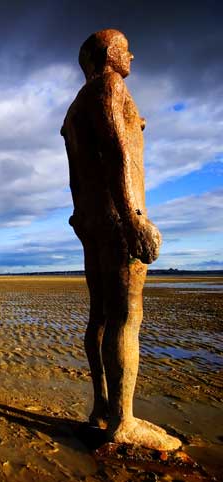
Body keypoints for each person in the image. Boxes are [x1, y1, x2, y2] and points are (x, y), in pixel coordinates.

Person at [61, 29, 181, 451]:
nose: (132, 55)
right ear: (108, 53)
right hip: (117, 219)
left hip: (93, 221)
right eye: (125, 49)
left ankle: (102, 407)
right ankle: (123, 421)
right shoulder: (110, 86)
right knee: (127, 316)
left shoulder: (75, 109)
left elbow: (76, 175)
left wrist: (81, 216)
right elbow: (116, 149)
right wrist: (134, 218)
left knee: (100, 315)